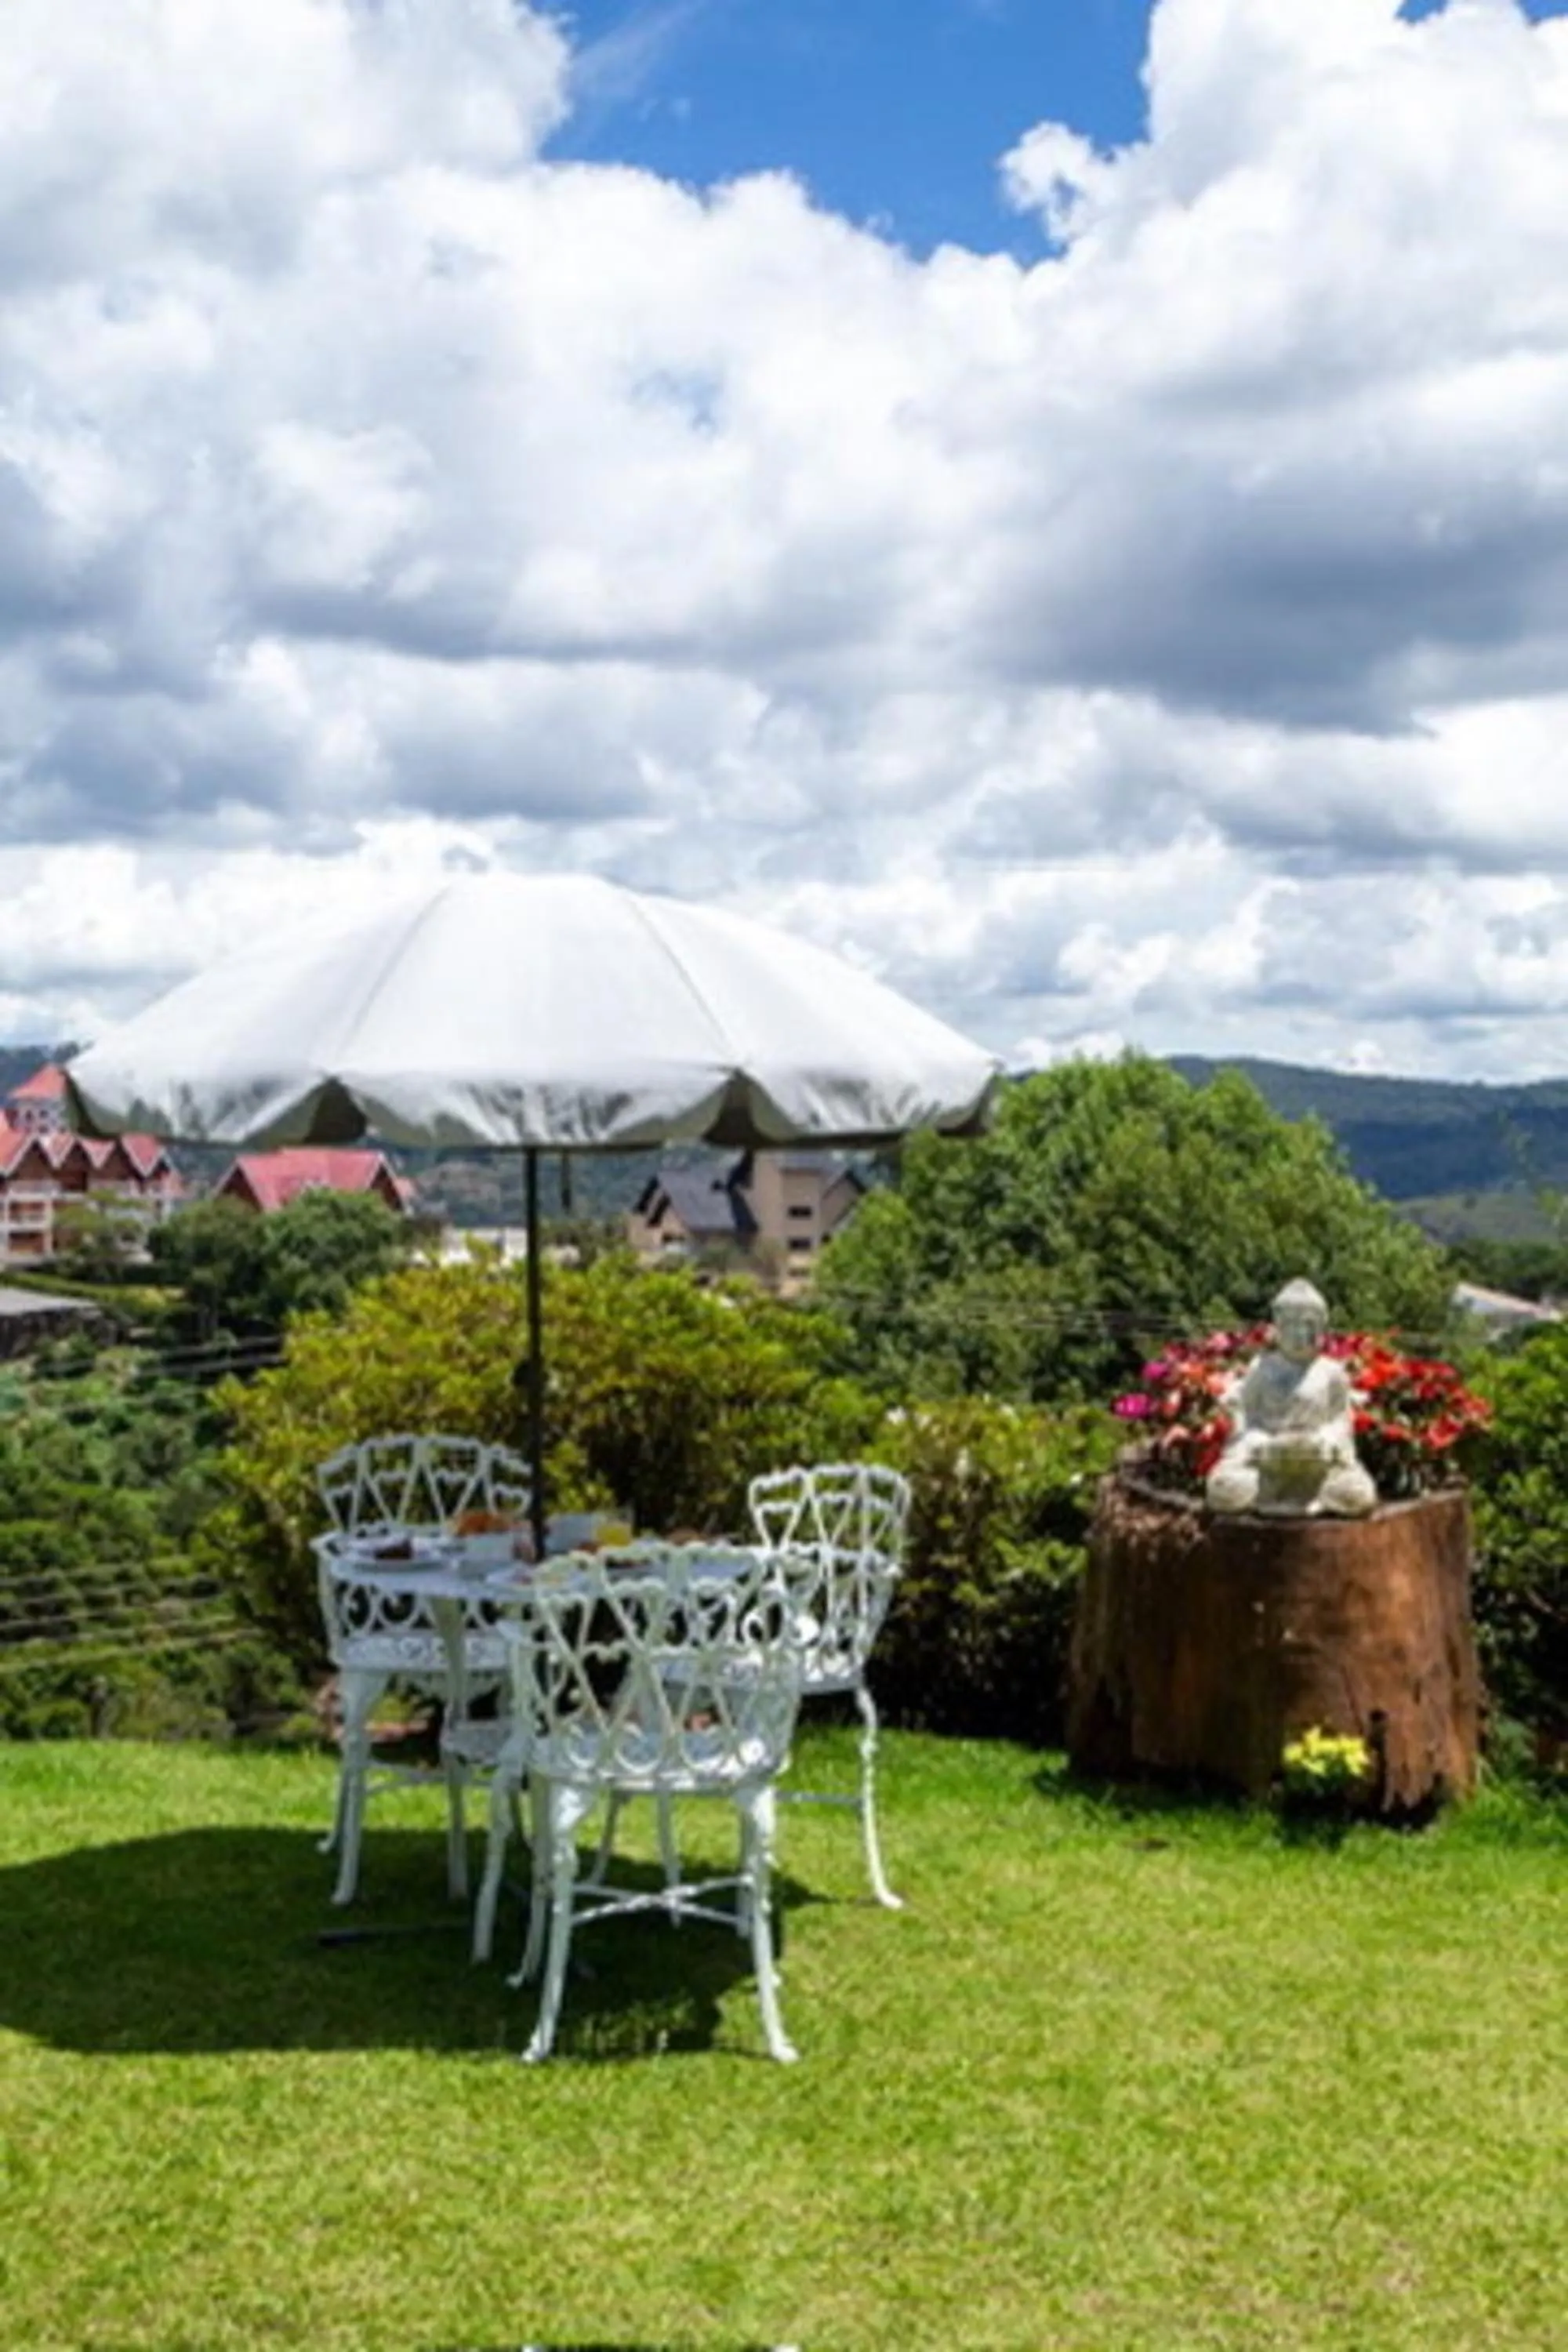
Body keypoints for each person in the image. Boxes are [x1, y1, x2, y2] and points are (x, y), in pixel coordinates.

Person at [1206, 1279, 1377, 1518]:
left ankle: (1311, 1495)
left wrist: (1325, 1443)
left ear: (1322, 1329)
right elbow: (1247, 1419)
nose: (1300, 1334)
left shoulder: (1332, 1372)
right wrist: (1263, 1445)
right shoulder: (1262, 1369)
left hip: (1317, 1466)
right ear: (1278, 1327)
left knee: (1359, 1493)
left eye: (1309, 1325)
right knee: (1223, 1489)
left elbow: (1341, 1421)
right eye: (1291, 1325)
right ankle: (1273, 1493)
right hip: (1268, 1463)